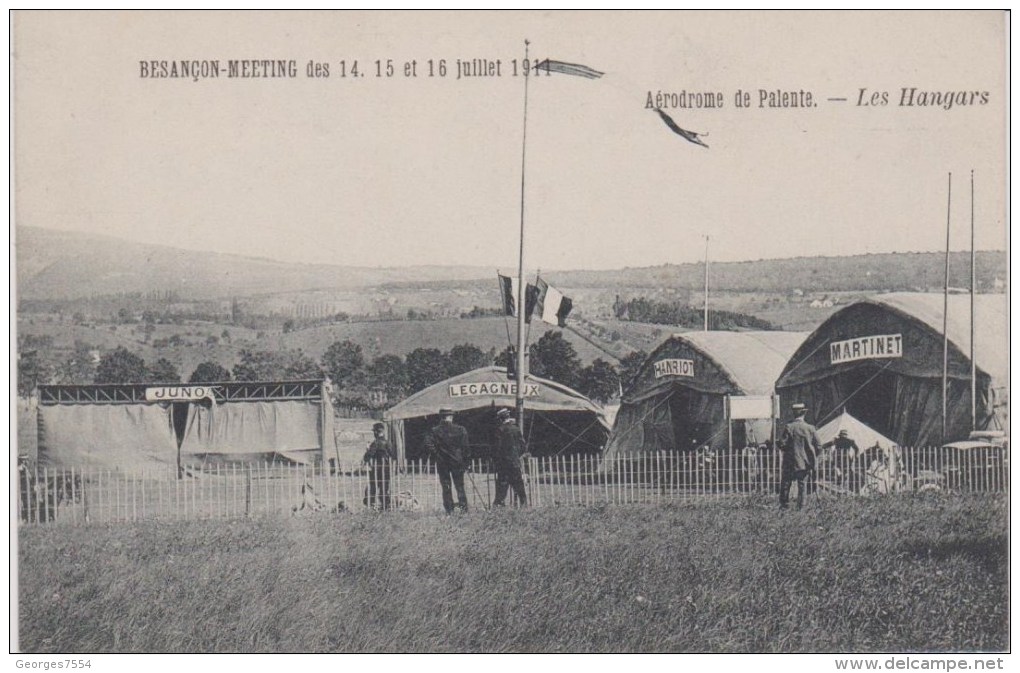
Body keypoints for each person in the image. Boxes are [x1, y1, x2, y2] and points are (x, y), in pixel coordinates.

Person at [424, 407, 469, 513]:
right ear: (451, 417)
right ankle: (463, 508)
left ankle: (449, 510)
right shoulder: (460, 429)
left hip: (442, 462)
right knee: (460, 486)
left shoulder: (434, 430)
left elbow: (428, 444)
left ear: (441, 417)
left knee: (446, 486)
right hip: (457, 461)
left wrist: (437, 454)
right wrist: (466, 461)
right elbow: (466, 447)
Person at [778, 403, 821, 510]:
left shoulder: (789, 427)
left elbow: (782, 444)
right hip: (804, 463)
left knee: (786, 485)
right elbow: (819, 446)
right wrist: (811, 456)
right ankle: (801, 508)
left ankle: (784, 507)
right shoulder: (811, 428)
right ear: (804, 413)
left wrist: (788, 451)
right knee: (802, 486)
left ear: (794, 414)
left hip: (790, 462)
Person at [492, 408, 528, 507]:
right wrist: (516, 455)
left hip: (503, 462)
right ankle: (524, 503)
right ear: (508, 417)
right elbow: (523, 446)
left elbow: (497, 448)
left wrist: (496, 459)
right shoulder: (516, 429)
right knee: (518, 483)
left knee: (502, 484)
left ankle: (499, 504)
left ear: (500, 419)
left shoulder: (500, 430)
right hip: (515, 461)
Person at [363, 422, 395, 510]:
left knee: (373, 486)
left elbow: (369, 455)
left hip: (377, 468)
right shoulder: (388, 442)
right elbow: (393, 454)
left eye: (374, 432)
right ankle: (385, 505)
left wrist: (367, 449)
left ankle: (371, 504)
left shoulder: (376, 443)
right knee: (384, 487)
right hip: (387, 468)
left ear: (376, 432)